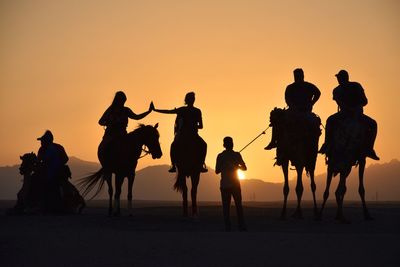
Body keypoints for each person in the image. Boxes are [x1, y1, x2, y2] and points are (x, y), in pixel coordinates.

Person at [319, 70, 379, 160]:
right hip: (355, 114)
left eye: (339, 78)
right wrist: (355, 108)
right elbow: (365, 101)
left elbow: (341, 103)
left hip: (347, 114)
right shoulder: (355, 86)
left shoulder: (337, 90)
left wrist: (351, 109)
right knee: (373, 124)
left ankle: (326, 144)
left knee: (330, 121)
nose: (338, 80)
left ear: (341, 78)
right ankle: (369, 149)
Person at [265, 68, 321, 150]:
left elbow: (318, 93)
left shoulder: (308, 86)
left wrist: (311, 103)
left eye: (299, 75)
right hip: (293, 111)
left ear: (302, 76)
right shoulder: (290, 87)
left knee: (314, 124)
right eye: (296, 76)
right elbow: (287, 99)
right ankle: (274, 141)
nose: (297, 77)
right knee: (277, 118)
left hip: (305, 111)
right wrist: (293, 106)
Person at [153, 91, 207, 173]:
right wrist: (156, 110)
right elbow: (169, 111)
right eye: (191, 98)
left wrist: (191, 126)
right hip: (186, 135)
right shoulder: (184, 110)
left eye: (193, 98)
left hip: (193, 135)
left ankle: (201, 164)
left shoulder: (196, 111)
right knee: (174, 145)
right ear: (187, 100)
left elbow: (201, 126)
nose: (192, 100)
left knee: (203, 144)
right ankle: (173, 165)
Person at [98, 91, 153, 164]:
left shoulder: (126, 110)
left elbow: (136, 117)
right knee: (105, 147)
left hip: (122, 134)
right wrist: (109, 122)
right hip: (111, 135)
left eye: (124, 101)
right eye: (122, 101)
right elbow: (101, 121)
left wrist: (148, 112)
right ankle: (106, 164)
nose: (123, 103)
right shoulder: (110, 110)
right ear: (118, 100)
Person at [215, 136, 247, 232]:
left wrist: (227, 165)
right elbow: (245, 168)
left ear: (224, 145)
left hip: (225, 185)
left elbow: (217, 171)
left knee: (226, 207)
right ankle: (241, 226)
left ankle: (228, 227)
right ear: (232, 144)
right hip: (235, 185)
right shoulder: (237, 155)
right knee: (238, 206)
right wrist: (237, 166)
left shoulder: (220, 156)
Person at [37, 130, 69, 212]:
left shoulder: (53, 148)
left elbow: (41, 160)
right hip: (48, 171)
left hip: (54, 172)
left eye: (42, 141)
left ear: (47, 141)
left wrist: (58, 166)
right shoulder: (44, 149)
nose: (41, 142)